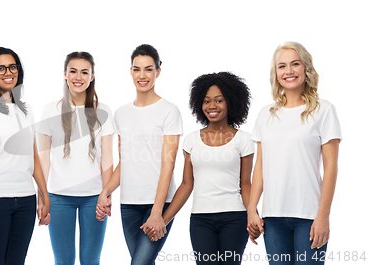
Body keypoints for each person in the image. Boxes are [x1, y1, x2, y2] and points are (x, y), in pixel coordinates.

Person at [247, 41, 341, 265]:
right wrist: (252, 209)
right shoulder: (265, 114)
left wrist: (323, 216)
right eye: (282, 66)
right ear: (276, 73)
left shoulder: (323, 110)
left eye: (295, 64)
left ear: (305, 68)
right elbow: (260, 167)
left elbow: (331, 168)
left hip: (309, 217)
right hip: (273, 216)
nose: (288, 71)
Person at [146, 72, 254, 265]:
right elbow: (187, 185)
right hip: (201, 220)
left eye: (219, 100)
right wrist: (164, 219)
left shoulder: (244, 139)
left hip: (235, 217)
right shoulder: (191, 140)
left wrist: (253, 214)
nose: (212, 106)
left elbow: (246, 184)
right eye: (206, 101)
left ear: (231, 101)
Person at [97, 44, 183, 264]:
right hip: (129, 204)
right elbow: (125, 163)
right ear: (131, 71)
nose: (142, 75)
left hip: (160, 203)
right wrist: (106, 191)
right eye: (137, 69)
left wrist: (157, 212)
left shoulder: (169, 111)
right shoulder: (122, 114)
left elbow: (168, 165)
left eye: (148, 69)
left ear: (158, 71)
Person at [0, 47, 50, 265]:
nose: (8, 72)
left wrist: (44, 194)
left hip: (25, 200)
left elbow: (33, 156)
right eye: (1, 68)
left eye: (12, 66)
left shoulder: (26, 110)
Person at [37, 51, 114, 265]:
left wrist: (106, 195)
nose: (78, 77)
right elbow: (43, 160)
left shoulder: (103, 111)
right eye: (73, 71)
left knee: (91, 260)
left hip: (94, 198)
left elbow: (107, 159)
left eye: (84, 72)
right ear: (65, 74)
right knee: (63, 261)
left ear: (92, 77)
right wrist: (41, 198)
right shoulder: (49, 110)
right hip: (58, 197)